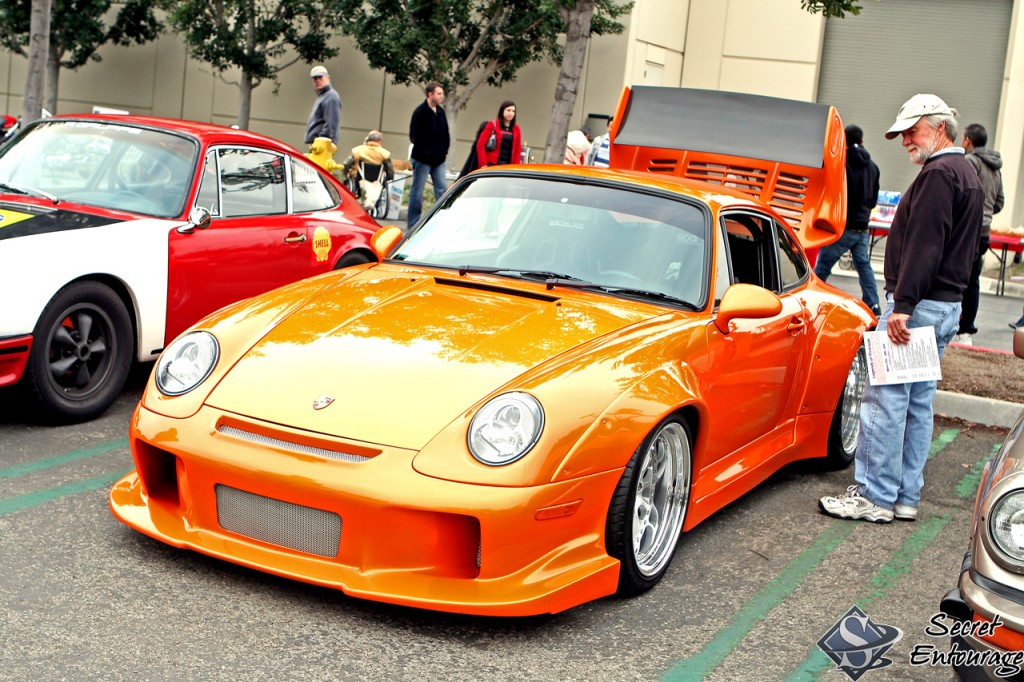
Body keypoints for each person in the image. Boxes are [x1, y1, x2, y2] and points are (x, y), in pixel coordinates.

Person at [819, 94, 983, 524]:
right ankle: (904, 496)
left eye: (913, 130)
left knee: (886, 401)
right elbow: (967, 248)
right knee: (915, 403)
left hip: (919, 306)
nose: (906, 140)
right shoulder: (965, 171)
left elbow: (926, 245)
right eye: (903, 132)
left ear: (939, 128)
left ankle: (875, 495)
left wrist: (903, 305)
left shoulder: (939, 174)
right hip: (942, 305)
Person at [812, 125, 881, 315]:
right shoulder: (873, 167)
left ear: (844, 140)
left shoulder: (841, 165)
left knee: (822, 268)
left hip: (843, 227)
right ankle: (874, 304)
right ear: (863, 141)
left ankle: (808, 299)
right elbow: (873, 200)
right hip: (862, 228)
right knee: (864, 267)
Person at [954, 123, 1004, 344]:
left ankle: (957, 327)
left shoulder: (970, 162)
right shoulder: (995, 168)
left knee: (955, 278)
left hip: (967, 229)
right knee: (972, 281)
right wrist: (986, 211)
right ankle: (966, 330)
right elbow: (999, 202)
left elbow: (963, 193)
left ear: (968, 141)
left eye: (963, 139)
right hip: (984, 232)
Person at [407, 81, 450, 228]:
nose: (441, 96)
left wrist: (444, 152)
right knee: (417, 191)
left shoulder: (441, 112)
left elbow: (445, 134)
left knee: (442, 190)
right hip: (422, 159)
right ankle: (413, 222)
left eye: (442, 94)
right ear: (430, 94)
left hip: (439, 160)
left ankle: (442, 221)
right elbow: (414, 136)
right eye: (439, 94)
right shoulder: (420, 112)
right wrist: (426, 152)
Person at [342, 130, 395, 212]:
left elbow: (346, 164)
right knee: (382, 182)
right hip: (376, 181)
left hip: (358, 179)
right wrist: (389, 178)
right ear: (379, 141)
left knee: (353, 180)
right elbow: (389, 169)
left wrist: (346, 174)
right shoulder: (384, 153)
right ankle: (376, 204)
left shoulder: (358, 150)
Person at [474, 101, 522, 169]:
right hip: (492, 164)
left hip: (508, 166)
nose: (511, 113)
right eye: (508, 110)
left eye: (513, 111)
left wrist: (516, 168)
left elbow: (517, 151)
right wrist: (483, 165)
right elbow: (480, 144)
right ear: (502, 111)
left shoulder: (516, 129)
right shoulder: (492, 125)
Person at [304, 65, 341, 145]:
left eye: (320, 77)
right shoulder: (323, 96)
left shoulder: (331, 97)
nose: (317, 80)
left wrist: (321, 141)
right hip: (318, 144)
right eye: (315, 78)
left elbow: (330, 125)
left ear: (327, 78)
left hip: (322, 145)